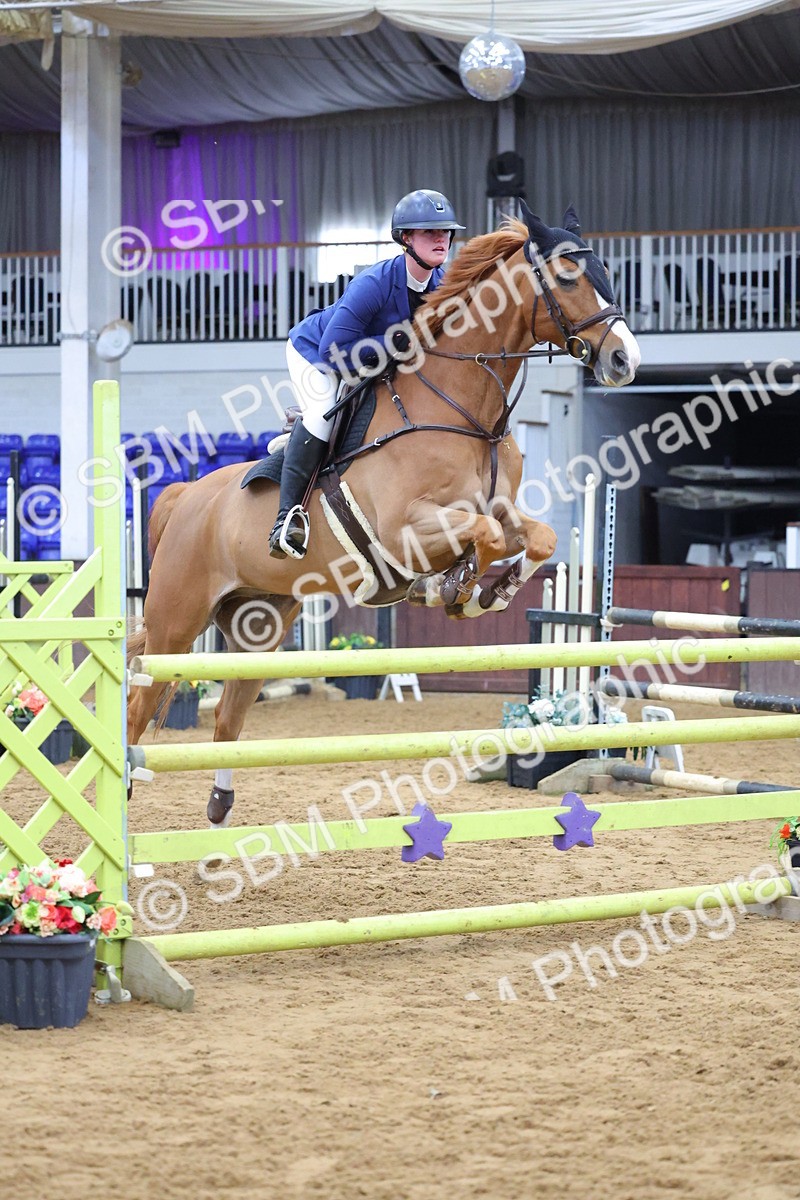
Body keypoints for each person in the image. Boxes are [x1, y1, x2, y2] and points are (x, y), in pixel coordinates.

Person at [268, 188, 465, 559]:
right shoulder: (374, 284)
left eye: (445, 232)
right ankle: (287, 518)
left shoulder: (442, 287)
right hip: (315, 353)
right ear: (406, 238)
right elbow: (332, 350)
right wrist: (398, 341)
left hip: (371, 359)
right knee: (322, 416)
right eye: (429, 232)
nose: (441, 239)